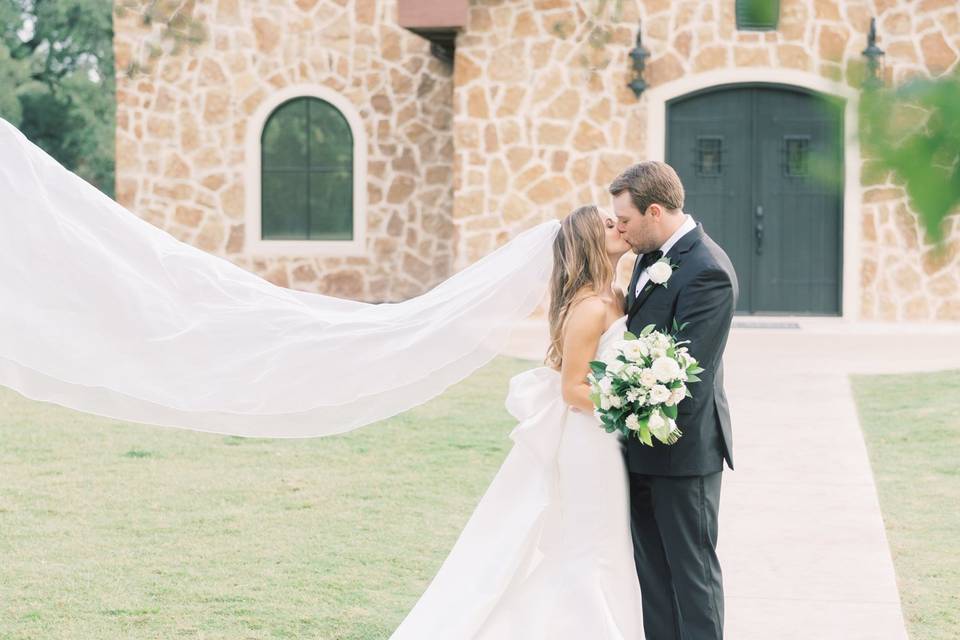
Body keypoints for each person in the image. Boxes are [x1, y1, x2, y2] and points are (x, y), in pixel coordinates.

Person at [387, 205, 646, 638]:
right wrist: (630, 403)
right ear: (588, 242)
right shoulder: (588, 307)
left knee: (604, 546)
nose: (618, 225)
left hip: (607, 437)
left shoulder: (617, 295)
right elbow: (572, 389)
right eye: (607, 223)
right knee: (585, 549)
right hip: (589, 439)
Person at [612, 161, 739, 640]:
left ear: (656, 211)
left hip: (684, 453)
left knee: (692, 577)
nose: (620, 230)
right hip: (639, 446)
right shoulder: (649, 255)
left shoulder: (708, 271)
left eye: (625, 221)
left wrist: (621, 401)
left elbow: (691, 378)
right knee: (654, 578)